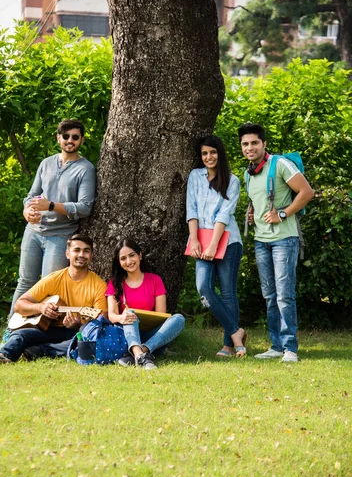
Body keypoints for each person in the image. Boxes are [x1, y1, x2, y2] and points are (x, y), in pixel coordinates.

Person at [0, 234, 107, 364]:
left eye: (86, 251)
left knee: (84, 342)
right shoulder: (54, 279)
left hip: (76, 332)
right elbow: (20, 304)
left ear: (91, 255)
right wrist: (41, 308)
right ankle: (3, 356)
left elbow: (102, 319)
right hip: (48, 328)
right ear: (68, 254)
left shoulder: (98, 285)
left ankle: (38, 351)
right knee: (21, 334)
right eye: (77, 250)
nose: (81, 254)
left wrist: (77, 325)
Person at [238, 123, 314, 362]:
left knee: (284, 295)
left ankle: (290, 348)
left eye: (254, 143)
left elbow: (306, 192)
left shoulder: (280, 164)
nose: (249, 148)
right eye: (245, 144)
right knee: (270, 295)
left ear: (264, 144)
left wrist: (282, 214)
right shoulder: (248, 173)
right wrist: (252, 213)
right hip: (261, 241)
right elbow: (260, 201)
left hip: (284, 240)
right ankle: (276, 345)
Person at [10, 119, 96, 315]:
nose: (70, 140)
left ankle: (36, 336)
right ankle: (11, 331)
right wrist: (27, 211)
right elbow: (31, 196)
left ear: (81, 140)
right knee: (25, 282)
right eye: (66, 136)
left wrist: (49, 205)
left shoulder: (86, 169)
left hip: (60, 235)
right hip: (34, 232)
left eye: (75, 137)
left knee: (49, 287)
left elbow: (84, 208)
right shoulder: (46, 163)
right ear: (59, 138)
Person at [186, 135, 246, 358]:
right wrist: (195, 240)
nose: (208, 157)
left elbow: (224, 214)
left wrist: (214, 245)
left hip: (228, 241)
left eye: (212, 152)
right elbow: (191, 208)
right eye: (204, 153)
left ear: (220, 154)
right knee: (204, 288)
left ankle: (228, 345)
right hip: (200, 240)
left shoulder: (232, 180)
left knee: (228, 293)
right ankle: (236, 332)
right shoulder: (195, 176)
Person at [106, 238, 185, 370]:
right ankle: (141, 356)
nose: (129, 261)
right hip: (126, 334)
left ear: (140, 255)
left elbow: (161, 316)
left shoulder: (154, 280)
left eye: (132, 255)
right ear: (119, 263)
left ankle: (140, 351)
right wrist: (122, 317)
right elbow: (111, 315)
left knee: (179, 319)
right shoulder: (115, 283)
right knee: (129, 313)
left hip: (152, 336)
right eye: (123, 258)